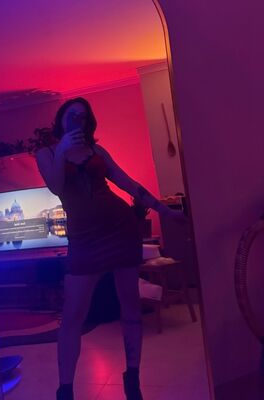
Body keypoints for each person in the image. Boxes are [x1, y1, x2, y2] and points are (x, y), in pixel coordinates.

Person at [35, 97, 186, 400]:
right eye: (71, 115)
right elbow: (56, 186)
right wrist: (63, 149)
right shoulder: (47, 153)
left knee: (130, 305)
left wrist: (164, 211)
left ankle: (133, 378)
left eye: (83, 117)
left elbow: (128, 184)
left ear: (88, 123)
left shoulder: (97, 151)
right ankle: (65, 390)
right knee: (73, 314)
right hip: (84, 241)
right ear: (61, 119)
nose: (77, 120)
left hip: (120, 231)